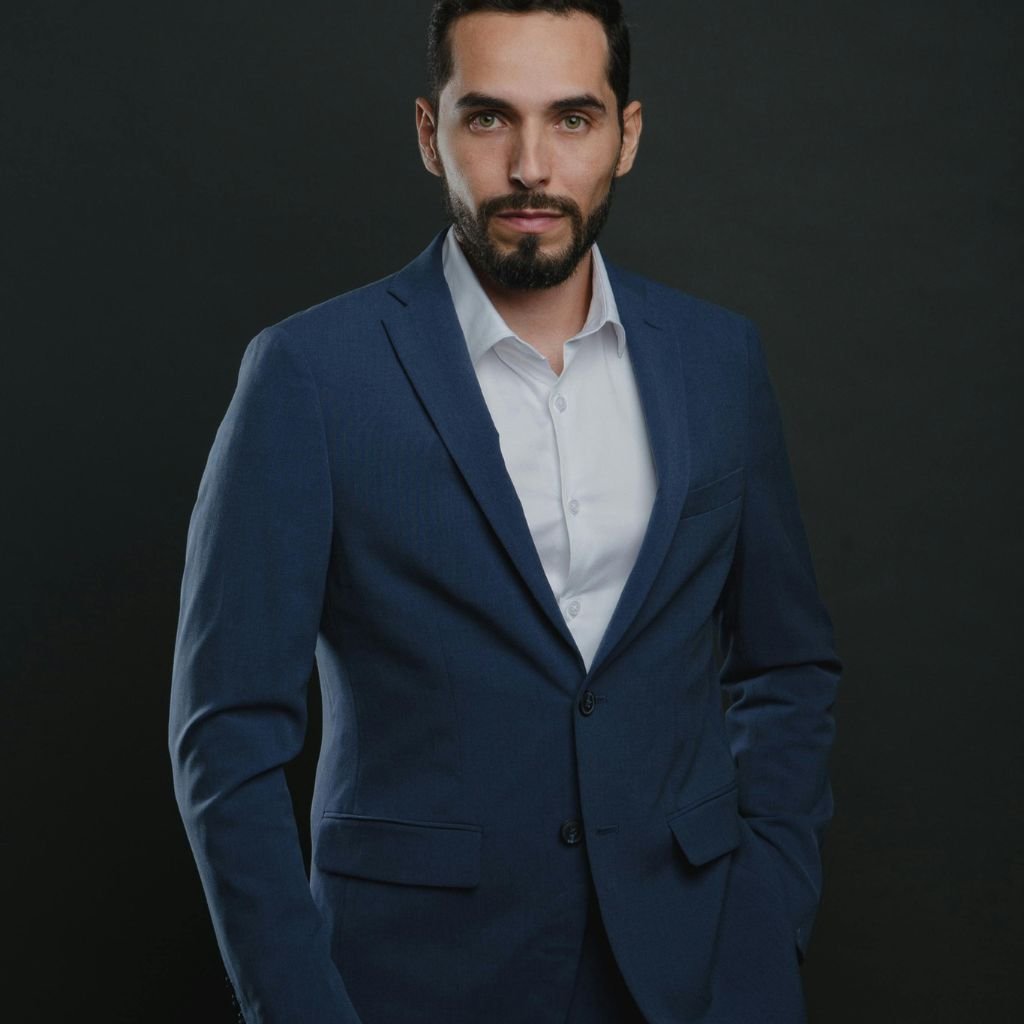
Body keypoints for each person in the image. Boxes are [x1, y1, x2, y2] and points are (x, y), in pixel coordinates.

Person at [168, 2, 842, 1022]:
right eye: (489, 118)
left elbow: (785, 665)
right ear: (431, 133)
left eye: (572, 118)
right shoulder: (309, 375)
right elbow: (224, 736)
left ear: (627, 135)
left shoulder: (718, 361)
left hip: (699, 972)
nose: (531, 165)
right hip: (414, 980)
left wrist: (767, 917)